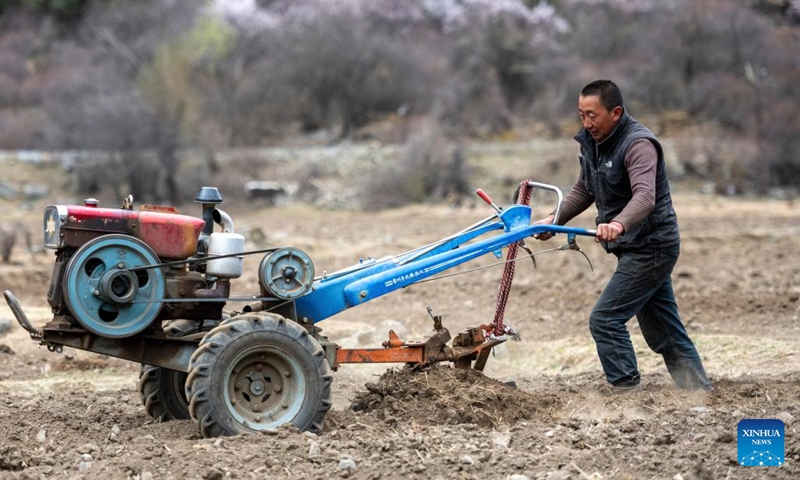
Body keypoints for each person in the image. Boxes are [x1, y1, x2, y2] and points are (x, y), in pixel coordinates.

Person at [533, 80, 712, 393]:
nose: (586, 123)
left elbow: (644, 196)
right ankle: (698, 392)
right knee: (664, 330)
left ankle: (626, 392)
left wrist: (617, 224)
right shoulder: (592, 142)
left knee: (605, 320)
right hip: (634, 247)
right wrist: (554, 219)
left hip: (652, 247)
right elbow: (585, 188)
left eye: (593, 115)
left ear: (615, 112)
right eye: (581, 114)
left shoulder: (638, 144)